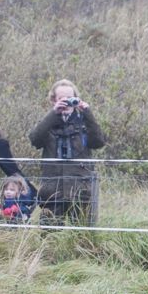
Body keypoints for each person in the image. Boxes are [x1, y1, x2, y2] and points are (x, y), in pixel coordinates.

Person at [29, 79, 106, 225]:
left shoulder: (84, 122)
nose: (67, 104)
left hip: (80, 190)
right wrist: (53, 114)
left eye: (70, 99)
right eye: (61, 99)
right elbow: (35, 140)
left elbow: (98, 142)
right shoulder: (48, 123)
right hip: (52, 191)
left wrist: (88, 113)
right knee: (49, 235)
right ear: (53, 100)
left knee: (81, 236)